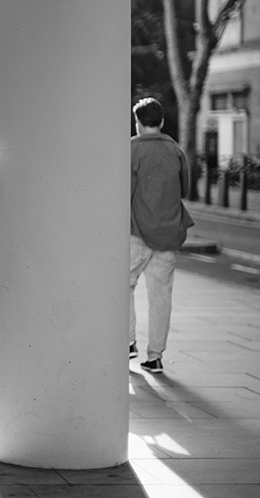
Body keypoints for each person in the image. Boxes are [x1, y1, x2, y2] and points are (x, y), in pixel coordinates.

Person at [129, 97, 194, 373]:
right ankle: (155, 357)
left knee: (122, 287)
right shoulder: (176, 150)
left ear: (138, 122)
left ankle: (127, 341)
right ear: (162, 121)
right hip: (168, 233)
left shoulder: (130, 150)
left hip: (136, 232)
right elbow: (185, 189)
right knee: (161, 297)